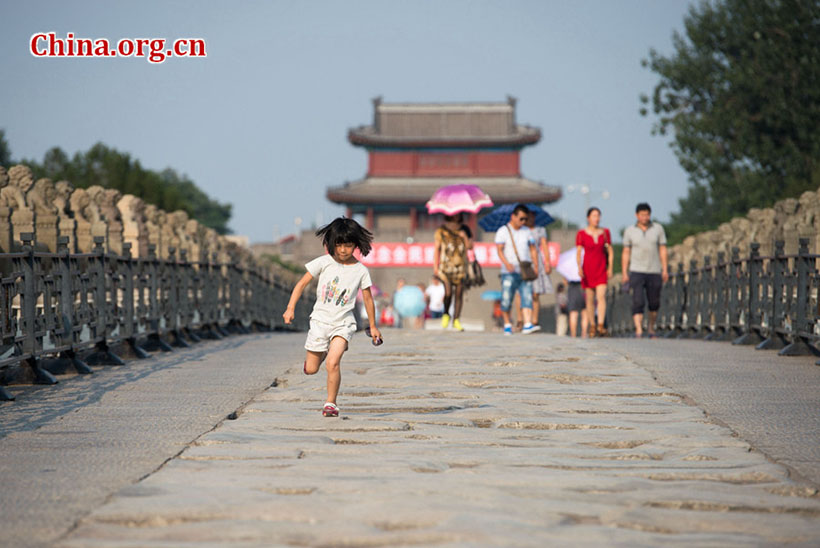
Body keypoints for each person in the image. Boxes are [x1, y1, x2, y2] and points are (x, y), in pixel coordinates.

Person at [283, 217, 381, 418]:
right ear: (331, 244)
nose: (344, 250)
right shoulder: (323, 262)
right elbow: (301, 284)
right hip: (320, 321)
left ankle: (331, 403)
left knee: (332, 363)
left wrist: (373, 326)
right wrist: (290, 308)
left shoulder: (361, 270)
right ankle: (322, 354)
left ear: (356, 245)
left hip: (343, 323)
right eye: (339, 245)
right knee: (311, 369)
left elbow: (369, 300)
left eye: (348, 245)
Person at [622, 202, 669, 337]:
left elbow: (663, 249)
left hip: (654, 269)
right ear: (637, 215)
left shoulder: (658, 229)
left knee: (654, 301)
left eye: (647, 214)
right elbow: (626, 252)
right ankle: (638, 329)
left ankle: (651, 327)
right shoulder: (630, 231)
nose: (645, 217)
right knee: (638, 300)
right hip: (636, 270)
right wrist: (625, 272)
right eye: (642, 215)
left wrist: (664, 269)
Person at [495, 204, 539, 335]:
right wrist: (506, 263)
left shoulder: (527, 231)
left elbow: (532, 249)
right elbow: (499, 250)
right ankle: (507, 323)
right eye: (521, 218)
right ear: (513, 217)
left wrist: (535, 265)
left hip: (524, 270)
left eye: (525, 219)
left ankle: (527, 324)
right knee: (507, 298)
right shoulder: (503, 231)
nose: (523, 222)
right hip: (508, 271)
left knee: (527, 296)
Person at [576, 207, 613, 337]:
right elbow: (579, 251)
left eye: (598, 216)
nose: (596, 218)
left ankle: (601, 325)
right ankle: (592, 325)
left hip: (601, 268)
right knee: (590, 299)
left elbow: (610, 251)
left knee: (601, 296)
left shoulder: (605, 232)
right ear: (588, 218)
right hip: (588, 269)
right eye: (594, 216)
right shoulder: (581, 233)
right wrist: (579, 268)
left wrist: (610, 267)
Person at [433, 213, 472, 331]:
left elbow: (470, 246)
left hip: (460, 267)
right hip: (446, 267)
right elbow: (437, 249)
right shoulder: (441, 231)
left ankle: (456, 320)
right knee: (448, 292)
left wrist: (464, 236)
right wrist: (435, 266)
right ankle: (446, 314)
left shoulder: (465, 229)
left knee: (459, 293)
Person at [526, 208, 553, 328]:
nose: (531, 218)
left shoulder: (540, 230)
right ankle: (524, 320)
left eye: (533, 216)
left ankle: (534, 319)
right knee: (523, 293)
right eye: (529, 216)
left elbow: (545, 246)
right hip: (524, 261)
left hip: (537, 262)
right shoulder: (521, 230)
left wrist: (547, 262)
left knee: (535, 293)